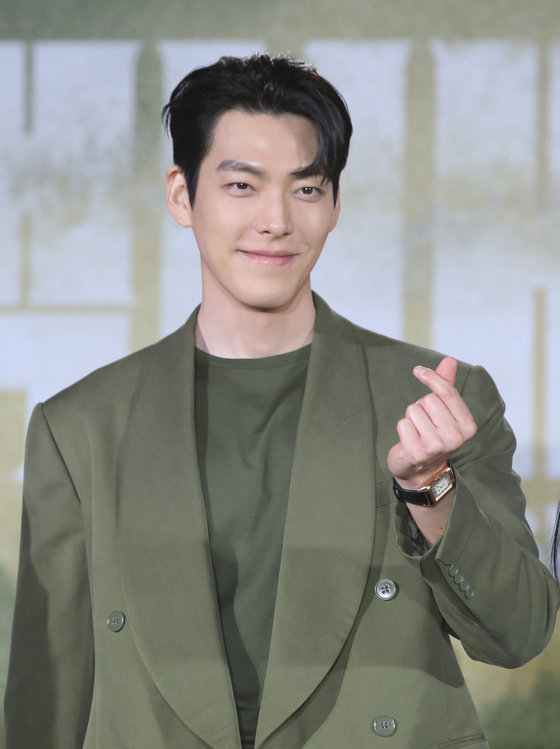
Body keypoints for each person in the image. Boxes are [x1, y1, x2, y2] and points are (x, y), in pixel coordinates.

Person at [4, 53, 559, 749]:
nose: (276, 220)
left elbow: (519, 632)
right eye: (242, 185)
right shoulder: (82, 427)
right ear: (182, 195)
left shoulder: (436, 398)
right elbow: (47, 694)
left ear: (334, 206)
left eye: (306, 189)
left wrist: (431, 490)